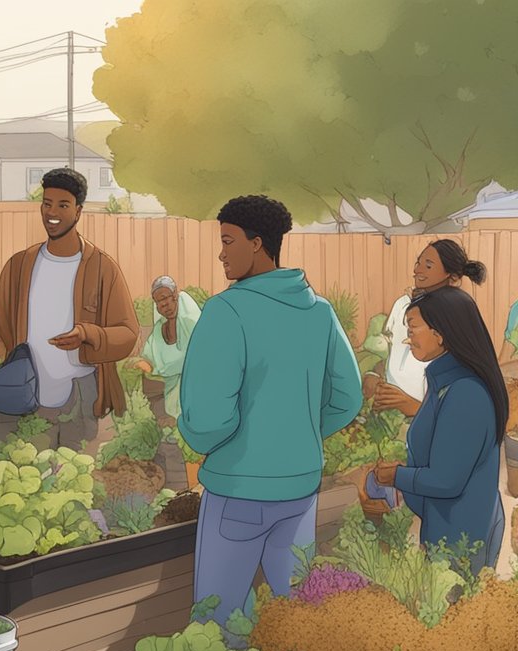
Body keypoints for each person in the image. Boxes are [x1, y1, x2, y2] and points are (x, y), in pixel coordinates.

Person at [180, 195, 362, 628]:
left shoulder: (227, 311)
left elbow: (206, 419)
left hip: (238, 488)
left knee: (218, 622)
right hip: (300, 489)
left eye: (228, 241)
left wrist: (210, 442)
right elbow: (347, 397)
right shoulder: (319, 312)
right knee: (297, 616)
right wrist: (298, 431)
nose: (221, 253)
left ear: (257, 243)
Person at [0, 167, 140, 448]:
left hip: (80, 394)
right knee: (30, 479)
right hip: (29, 393)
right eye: (47, 204)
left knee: (76, 480)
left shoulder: (102, 268)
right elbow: (3, 318)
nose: (52, 212)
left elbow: (128, 333)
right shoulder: (19, 265)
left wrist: (88, 334)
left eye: (62, 205)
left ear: (78, 211)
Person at [374, 287, 506, 574]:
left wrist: (397, 476)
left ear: (441, 332)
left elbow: (446, 480)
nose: (408, 338)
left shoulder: (465, 393)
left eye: (413, 327)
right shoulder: (445, 382)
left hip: (462, 539)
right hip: (447, 528)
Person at [376, 240, 487, 416]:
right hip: (393, 410)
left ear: (452, 276)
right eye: (418, 263)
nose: (417, 270)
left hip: (429, 414)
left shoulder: (456, 312)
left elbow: (461, 398)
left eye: (428, 266)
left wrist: (414, 406)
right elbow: (394, 350)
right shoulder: (403, 304)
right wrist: (374, 375)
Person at [135, 276, 201, 420]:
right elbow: (149, 356)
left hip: (193, 385)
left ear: (175, 296)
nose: (164, 305)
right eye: (159, 302)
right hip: (167, 388)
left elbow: (197, 357)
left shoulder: (190, 323)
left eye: (166, 298)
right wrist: (144, 364)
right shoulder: (160, 329)